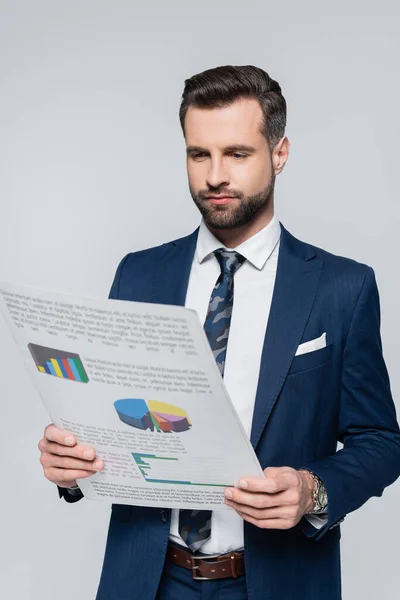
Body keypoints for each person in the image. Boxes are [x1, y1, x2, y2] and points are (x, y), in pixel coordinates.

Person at [38, 65, 400, 600]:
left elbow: (381, 442)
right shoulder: (138, 274)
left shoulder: (342, 288)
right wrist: (70, 466)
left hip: (277, 580)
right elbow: (118, 422)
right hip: (147, 579)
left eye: (237, 154)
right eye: (198, 154)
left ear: (279, 153)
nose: (214, 176)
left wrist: (313, 489)